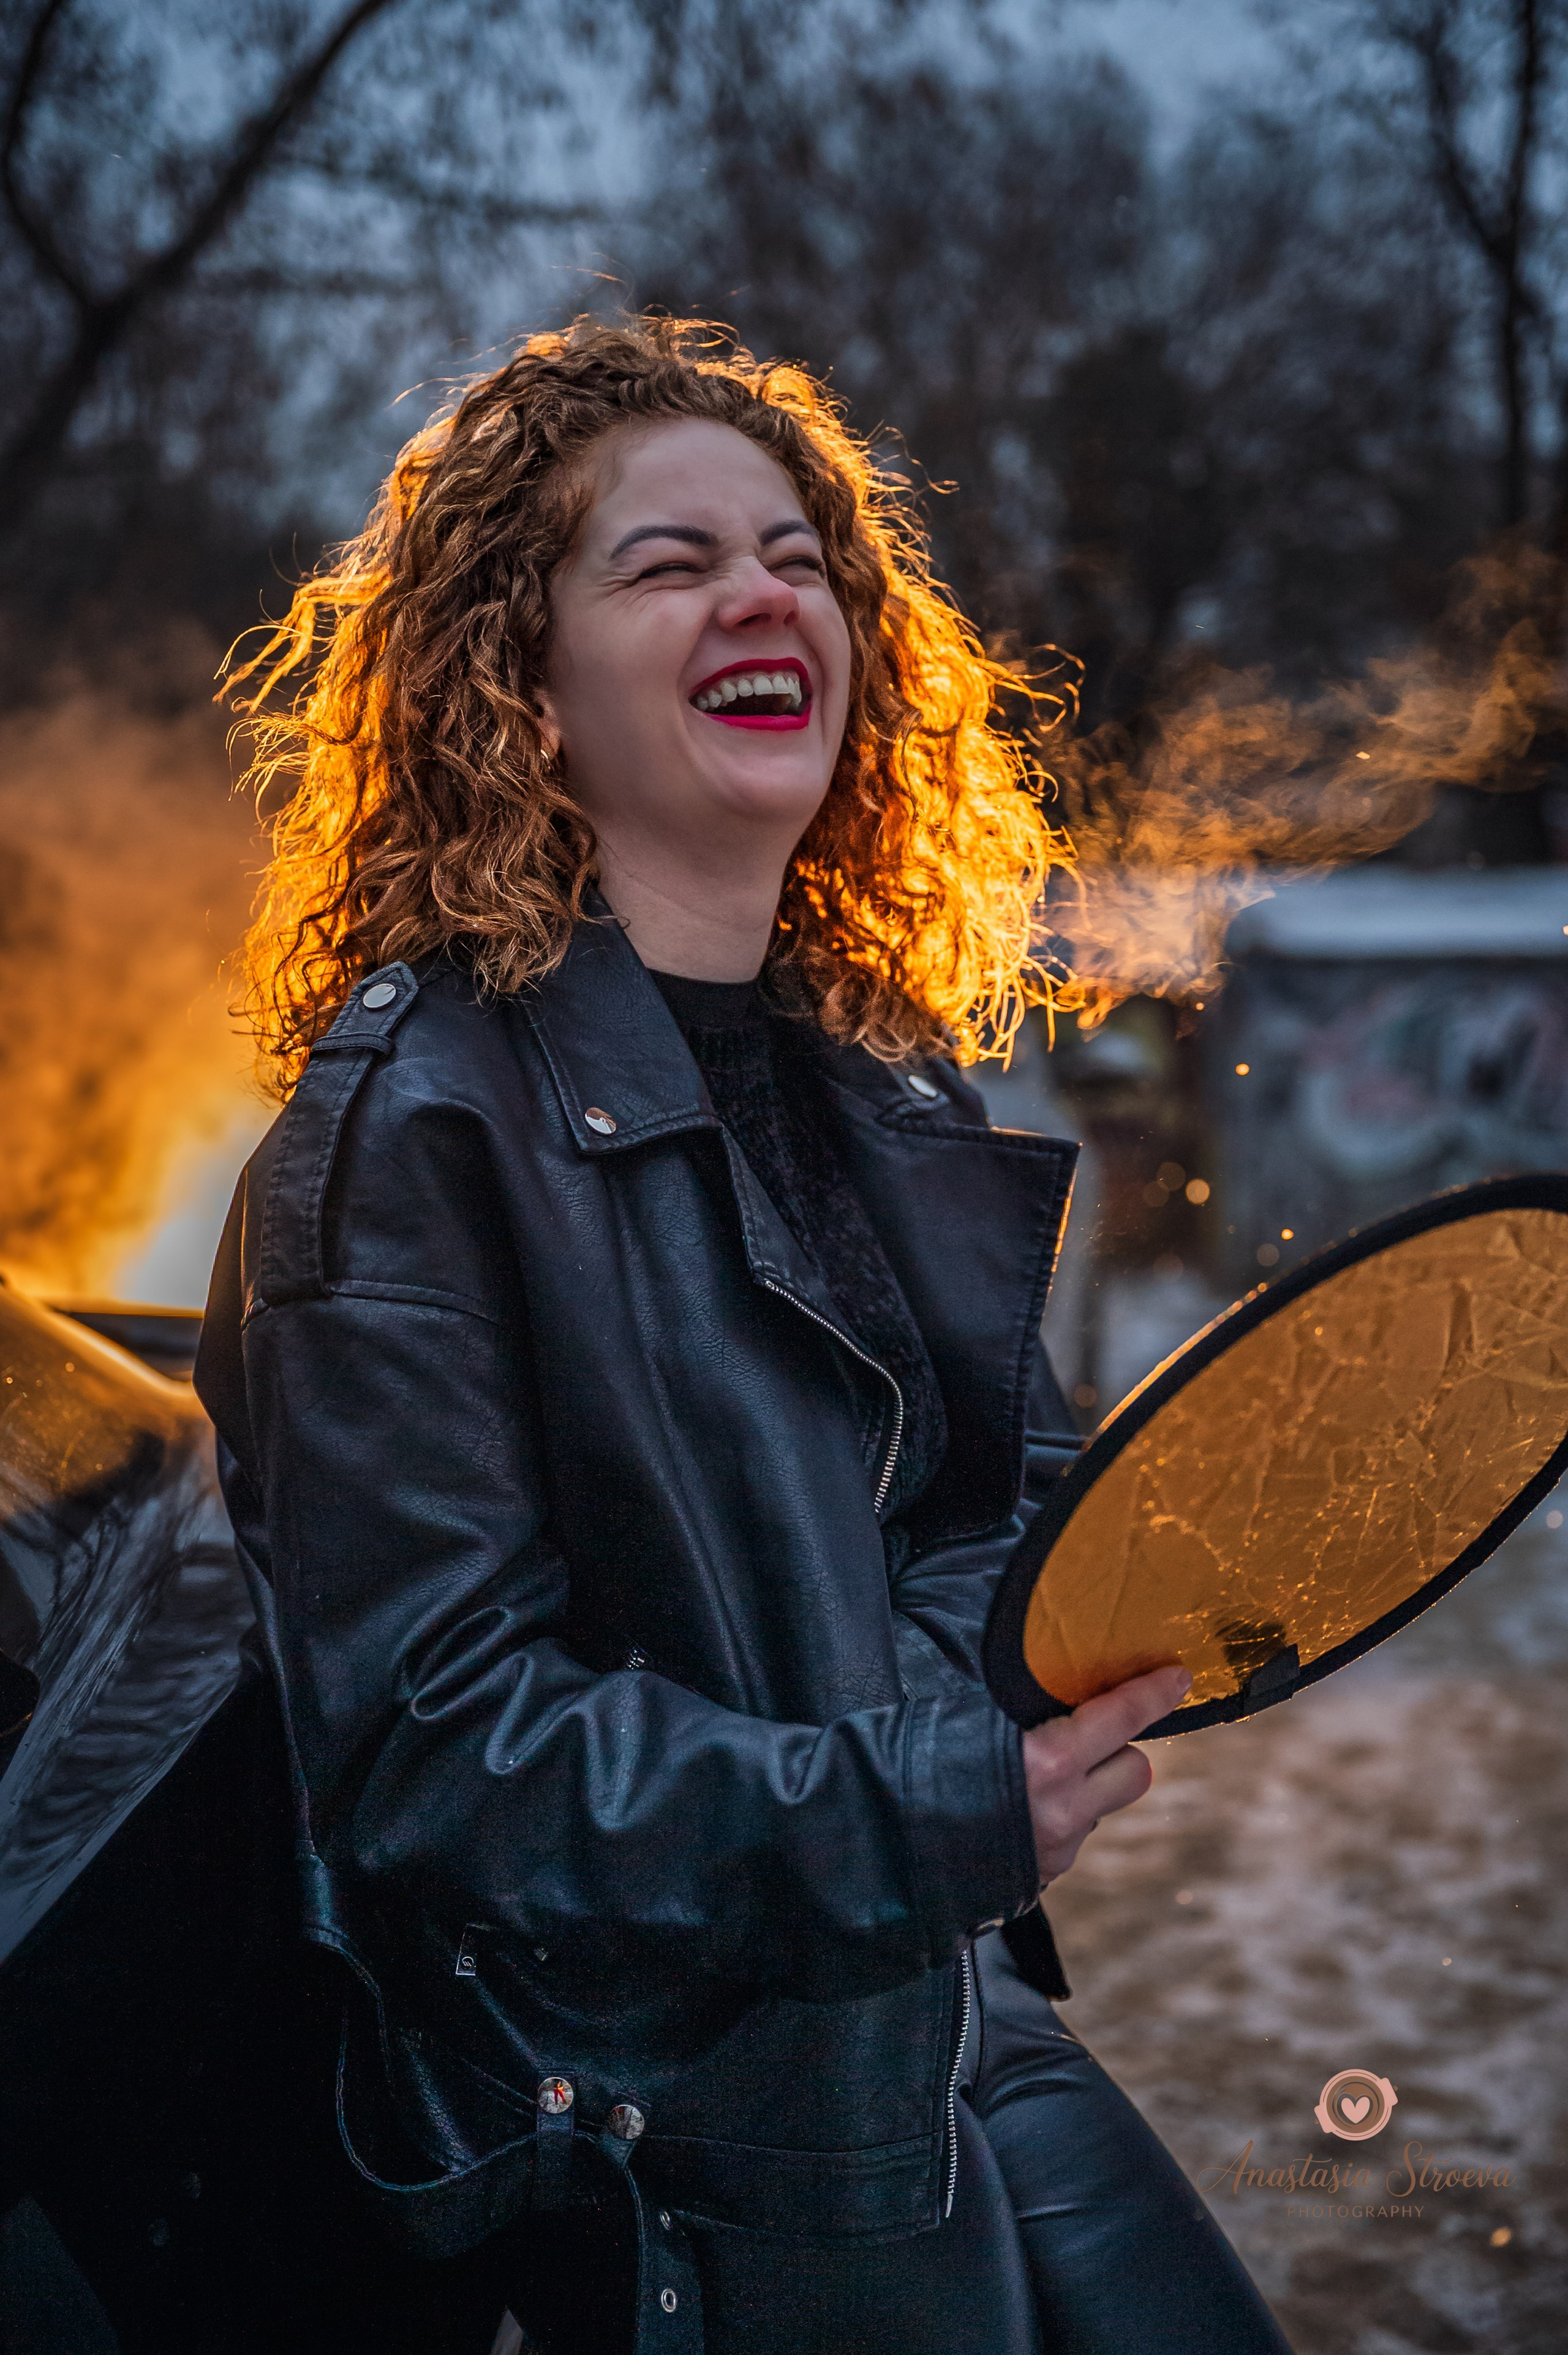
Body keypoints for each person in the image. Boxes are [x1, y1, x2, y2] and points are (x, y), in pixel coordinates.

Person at [195, 316, 1291, 2354]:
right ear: (516, 690)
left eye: (796, 552)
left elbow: (985, 1524)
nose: (764, 589)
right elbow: (437, 1755)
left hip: (945, 2022)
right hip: (686, 2139)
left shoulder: (880, 1080)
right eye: (668, 561)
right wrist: (917, 1813)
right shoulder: (410, 1134)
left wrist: (1177, 1570)